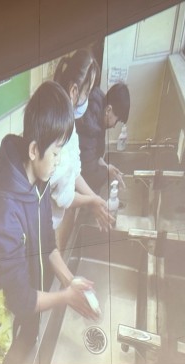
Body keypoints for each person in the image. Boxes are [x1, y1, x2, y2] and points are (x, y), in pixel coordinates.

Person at [0, 81, 99, 364]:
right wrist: (65, 297)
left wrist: (70, 280)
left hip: (30, 309)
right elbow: (20, 299)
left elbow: (47, 243)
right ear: (34, 150)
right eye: (56, 153)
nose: (59, 161)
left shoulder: (40, 182)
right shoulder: (3, 216)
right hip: (5, 329)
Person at [50, 49, 111, 232]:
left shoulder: (69, 122)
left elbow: (75, 170)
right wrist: (91, 201)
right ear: (74, 90)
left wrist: (94, 199)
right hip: (40, 219)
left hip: (50, 219)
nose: (89, 100)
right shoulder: (57, 129)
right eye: (88, 92)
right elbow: (64, 197)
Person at [76, 82, 131, 194]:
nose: (114, 126)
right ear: (108, 110)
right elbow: (88, 172)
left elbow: (94, 154)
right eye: (117, 120)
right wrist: (106, 172)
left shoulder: (98, 114)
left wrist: (106, 166)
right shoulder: (89, 125)